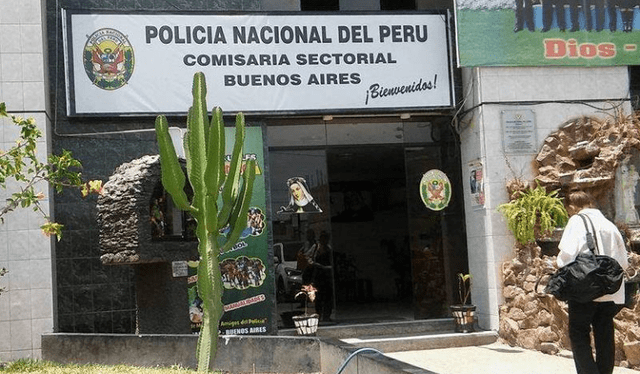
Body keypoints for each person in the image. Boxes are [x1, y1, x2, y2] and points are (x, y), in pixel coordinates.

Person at [557, 191, 629, 374]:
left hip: (584, 291)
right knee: (605, 335)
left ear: (572, 206)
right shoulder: (608, 223)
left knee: (579, 333)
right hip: (610, 292)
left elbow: (565, 257)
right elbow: (623, 262)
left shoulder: (576, 221)